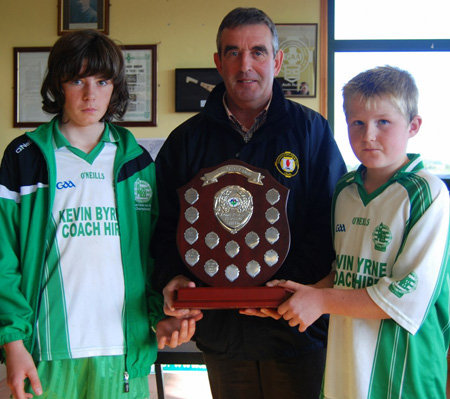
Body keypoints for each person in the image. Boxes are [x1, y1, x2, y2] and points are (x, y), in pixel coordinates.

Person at [152, 7, 347, 399]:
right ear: (217, 62)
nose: (246, 65)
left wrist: (285, 287)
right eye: (233, 52)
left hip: (296, 327)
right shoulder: (186, 140)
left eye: (258, 52)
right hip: (224, 334)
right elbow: (165, 227)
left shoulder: (311, 131)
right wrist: (171, 280)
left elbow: (330, 222)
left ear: (275, 60)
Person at [0, 30, 199, 399]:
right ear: (58, 85)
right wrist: (12, 341)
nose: (91, 94)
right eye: (77, 80)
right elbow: (3, 259)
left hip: (124, 352)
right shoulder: (24, 158)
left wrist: (162, 315)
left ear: (115, 87)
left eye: (102, 81)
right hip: (48, 353)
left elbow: (155, 253)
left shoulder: (137, 163)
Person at [273, 66, 450, 398]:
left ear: (413, 126)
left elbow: (406, 298)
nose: (368, 135)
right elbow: (344, 273)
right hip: (346, 366)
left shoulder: (428, 194)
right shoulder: (344, 190)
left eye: (383, 122)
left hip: (404, 374)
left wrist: (320, 300)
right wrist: (301, 294)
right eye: (357, 123)